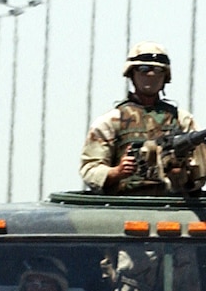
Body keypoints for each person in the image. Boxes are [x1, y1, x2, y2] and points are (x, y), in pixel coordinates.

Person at [80, 44, 198, 194]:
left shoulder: (182, 120)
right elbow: (90, 170)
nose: (150, 74)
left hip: (173, 206)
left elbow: (201, 167)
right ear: (132, 74)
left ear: (165, 76)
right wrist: (118, 172)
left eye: (158, 70)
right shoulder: (111, 121)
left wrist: (183, 174)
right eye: (143, 69)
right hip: (125, 206)